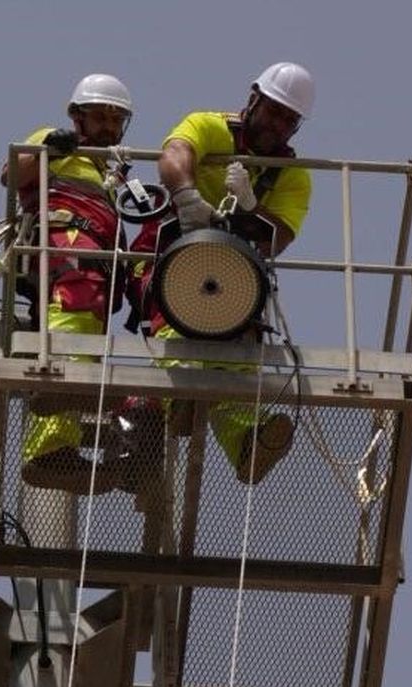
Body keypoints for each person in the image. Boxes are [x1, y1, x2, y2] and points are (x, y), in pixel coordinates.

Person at [130, 62, 315, 484]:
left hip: (232, 274)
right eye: (274, 111)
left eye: (289, 119)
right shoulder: (210, 127)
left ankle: (249, 442)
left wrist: (251, 208)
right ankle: (151, 422)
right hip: (172, 256)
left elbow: (279, 237)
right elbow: (176, 154)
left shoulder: (293, 175)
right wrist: (188, 198)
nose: (279, 125)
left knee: (235, 361)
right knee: (176, 336)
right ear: (253, 100)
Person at [8, 74, 135, 493]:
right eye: (100, 117)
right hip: (66, 251)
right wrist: (53, 146)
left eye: (116, 122)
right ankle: (47, 449)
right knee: (72, 319)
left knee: (87, 336)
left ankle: (62, 446)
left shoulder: (106, 172)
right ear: (77, 117)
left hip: (96, 264)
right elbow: (12, 173)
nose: (108, 128)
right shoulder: (55, 141)